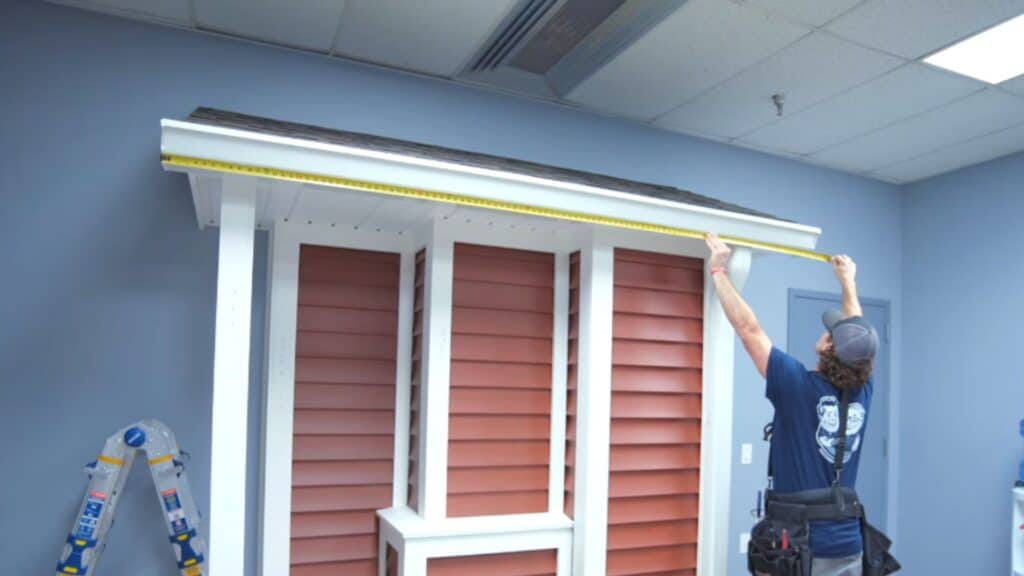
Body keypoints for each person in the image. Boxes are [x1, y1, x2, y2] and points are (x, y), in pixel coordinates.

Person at [704, 233, 879, 576]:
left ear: (828, 348)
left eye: (830, 332)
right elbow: (857, 337)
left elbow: (749, 329)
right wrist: (848, 283)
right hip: (849, 546)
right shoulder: (863, 390)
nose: (826, 332)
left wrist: (718, 273)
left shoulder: (797, 386)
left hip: (801, 548)